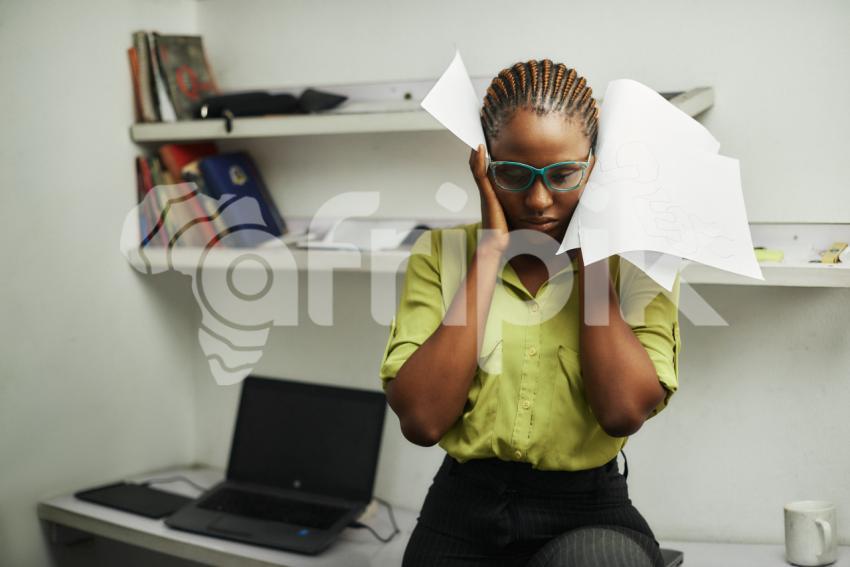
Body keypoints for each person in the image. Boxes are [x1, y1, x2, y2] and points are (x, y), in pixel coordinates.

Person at [379, 58, 681, 567]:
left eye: (563, 175)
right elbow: (424, 421)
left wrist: (593, 252)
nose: (539, 200)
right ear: (483, 166)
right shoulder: (440, 254)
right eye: (513, 175)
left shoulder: (640, 265)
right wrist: (491, 250)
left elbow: (622, 412)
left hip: (587, 510)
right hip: (461, 507)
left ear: (595, 168)